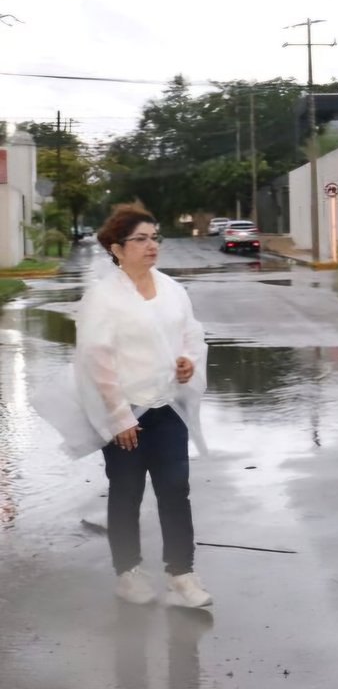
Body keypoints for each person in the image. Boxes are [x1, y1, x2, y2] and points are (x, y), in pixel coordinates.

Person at [75, 204, 212, 607]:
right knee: (127, 492)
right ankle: (128, 572)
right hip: (124, 412)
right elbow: (95, 360)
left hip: (167, 408)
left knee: (175, 489)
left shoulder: (172, 288)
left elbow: (191, 333)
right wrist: (118, 417)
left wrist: (189, 361)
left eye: (155, 237)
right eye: (141, 239)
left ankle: (181, 574)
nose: (152, 245)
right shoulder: (103, 298)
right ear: (117, 248)